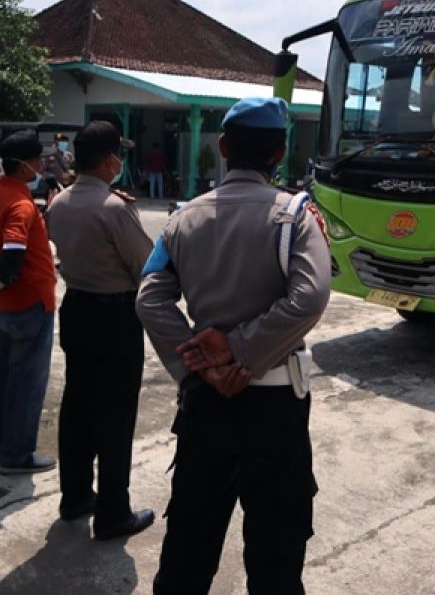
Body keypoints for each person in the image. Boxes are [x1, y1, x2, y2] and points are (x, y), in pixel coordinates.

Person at [137, 97, 333, 594]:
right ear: (281, 151)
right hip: (274, 405)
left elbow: (150, 298)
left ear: (223, 147)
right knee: (276, 550)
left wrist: (200, 363)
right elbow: (310, 296)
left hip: (207, 402)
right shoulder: (294, 218)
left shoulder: (183, 218)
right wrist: (242, 350)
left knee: (189, 541)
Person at [46, 120, 156, 540]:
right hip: (115, 315)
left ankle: (75, 496)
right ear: (111, 160)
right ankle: (113, 511)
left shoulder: (59, 202)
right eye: (120, 155)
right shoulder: (115, 208)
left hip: (77, 307)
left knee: (77, 407)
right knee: (115, 415)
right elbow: (145, 267)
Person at [0, 130, 58, 475]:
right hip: (30, 302)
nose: (40, 165)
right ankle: (17, 454)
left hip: (7, 304)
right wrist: (10, 274)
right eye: (38, 159)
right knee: (26, 382)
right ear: (25, 164)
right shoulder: (21, 204)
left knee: (1, 374)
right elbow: (14, 247)